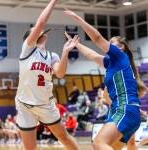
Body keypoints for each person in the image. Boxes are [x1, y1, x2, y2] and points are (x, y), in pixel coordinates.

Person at [64, 10, 147, 150]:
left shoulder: (120, 56)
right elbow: (92, 55)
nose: (107, 45)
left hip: (125, 110)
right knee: (114, 146)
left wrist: (79, 20)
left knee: (98, 143)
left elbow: (97, 38)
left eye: (111, 43)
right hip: (126, 111)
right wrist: (76, 44)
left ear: (121, 47)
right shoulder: (112, 63)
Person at [15, 1, 79, 150]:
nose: (39, 31)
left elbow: (60, 73)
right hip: (25, 105)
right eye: (35, 31)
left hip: (46, 104)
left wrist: (65, 53)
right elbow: (41, 22)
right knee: (30, 147)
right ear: (28, 39)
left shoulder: (52, 56)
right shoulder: (27, 50)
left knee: (64, 137)